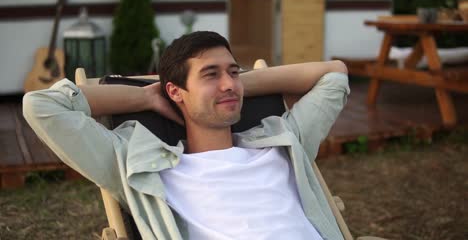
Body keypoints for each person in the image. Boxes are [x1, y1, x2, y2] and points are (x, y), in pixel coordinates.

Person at [23, 31, 349, 240]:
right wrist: (145, 97)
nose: (229, 82)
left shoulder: (281, 139)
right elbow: (41, 106)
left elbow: (334, 74)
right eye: (210, 74)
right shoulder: (143, 167)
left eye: (233, 72)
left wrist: (233, 87)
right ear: (174, 92)